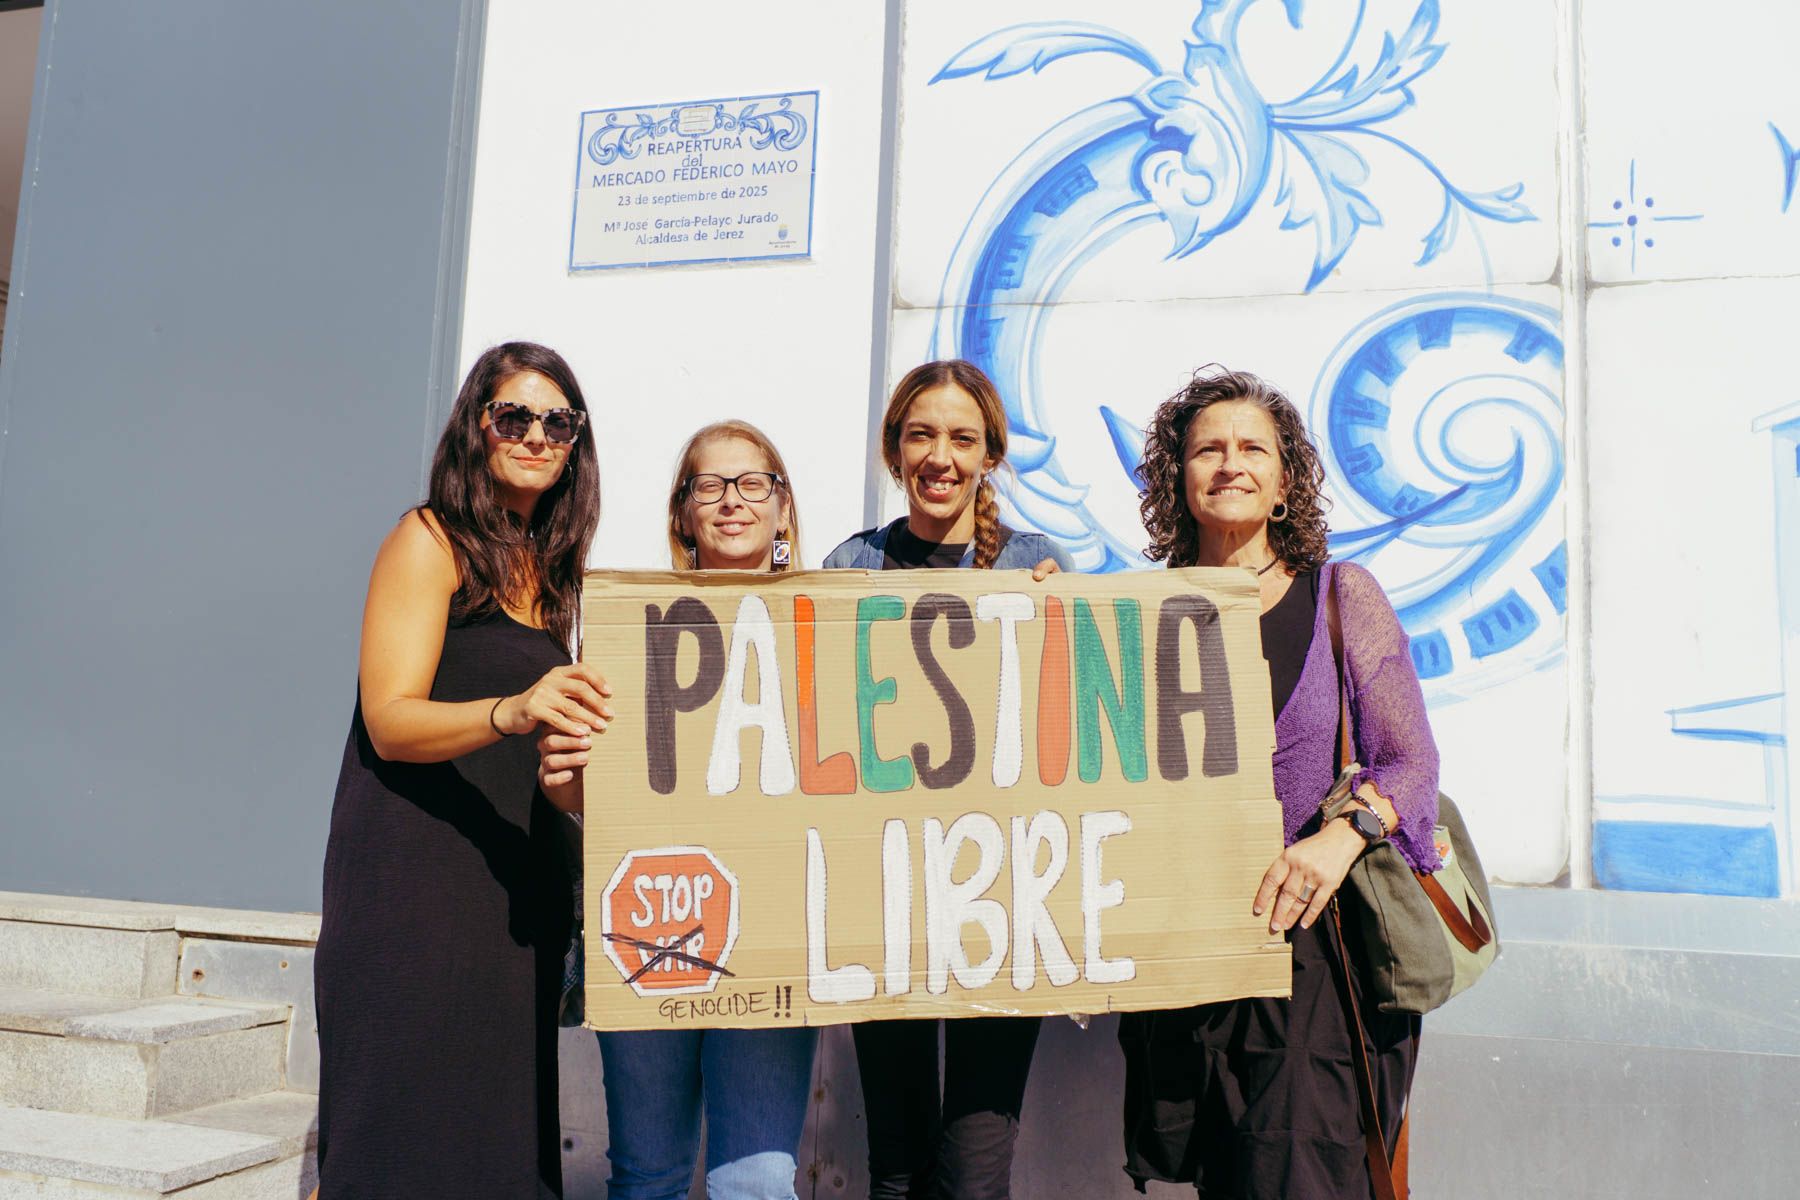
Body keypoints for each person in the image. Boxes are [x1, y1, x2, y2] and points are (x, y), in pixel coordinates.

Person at [1117, 367, 1440, 1198]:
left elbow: (1411, 763)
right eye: (1207, 450)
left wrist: (1339, 840)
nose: (1230, 464)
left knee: (1297, 1174)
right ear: (1176, 479)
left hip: (1312, 956)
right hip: (1187, 956)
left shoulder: (1340, 597)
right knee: (1223, 1175)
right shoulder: (1136, 613)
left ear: (1285, 480)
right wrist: (1035, 615)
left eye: (1253, 448)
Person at [314, 342, 610, 1199]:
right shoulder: (429, 538)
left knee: (499, 1153)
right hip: (416, 895)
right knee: (405, 1143)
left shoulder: (550, 573)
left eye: (559, 421)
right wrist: (510, 711)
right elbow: (390, 717)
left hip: (514, 905)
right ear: (475, 427)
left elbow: (538, 760)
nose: (536, 434)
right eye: (513, 415)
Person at [536, 420, 817, 1200]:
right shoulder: (628, 631)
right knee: (648, 1178)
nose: (732, 502)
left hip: (780, 937)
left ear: (783, 508)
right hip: (651, 923)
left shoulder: (832, 627)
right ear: (683, 514)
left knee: (755, 1185)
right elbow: (590, 794)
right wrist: (563, 779)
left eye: (752, 482)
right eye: (709, 486)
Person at [823, 359, 1073, 1200]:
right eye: (921, 435)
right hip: (880, 895)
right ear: (894, 451)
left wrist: (1061, 621)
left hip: (1003, 899)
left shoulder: (1039, 563)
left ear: (990, 455)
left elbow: (1070, 731)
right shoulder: (851, 564)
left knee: (974, 1171)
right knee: (895, 1166)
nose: (941, 455)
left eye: (962, 437)